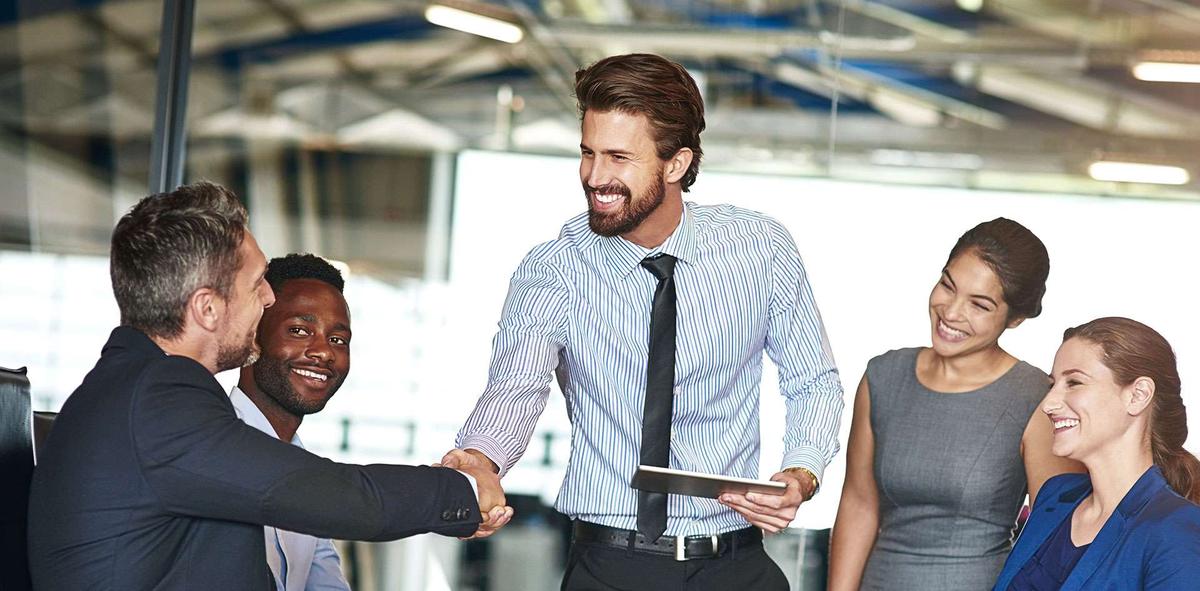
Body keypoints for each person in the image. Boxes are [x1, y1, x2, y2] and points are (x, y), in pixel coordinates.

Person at [442, 53, 844, 590]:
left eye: (618, 157)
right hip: (611, 566)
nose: (595, 176)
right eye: (587, 153)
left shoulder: (759, 249)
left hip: (735, 565)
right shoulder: (554, 270)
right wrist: (481, 461)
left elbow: (813, 381)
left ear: (676, 164)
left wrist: (801, 473)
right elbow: (516, 389)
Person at [27, 182, 509, 591]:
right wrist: (461, 490)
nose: (268, 297)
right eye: (257, 283)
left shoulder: (131, 385)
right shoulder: (160, 396)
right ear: (207, 308)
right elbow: (322, 492)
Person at [829, 218, 1082, 590]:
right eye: (948, 285)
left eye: (979, 305)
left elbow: (1054, 533)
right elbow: (859, 503)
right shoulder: (883, 376)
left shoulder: (1036, 397)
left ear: (1015, 318)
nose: (951, 312)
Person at [992, 317, 1200, 590]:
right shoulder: (1055, 495)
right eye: (1051, 385)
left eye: (1074, 383)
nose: (1049, 404)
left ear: (1138, 395)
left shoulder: (1176, 530)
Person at [230, 253, 355, 591]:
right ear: (253, 337)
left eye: (337, 339)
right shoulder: (210, 449)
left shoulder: (308, 478)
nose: (324, 352)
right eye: (300, 330)